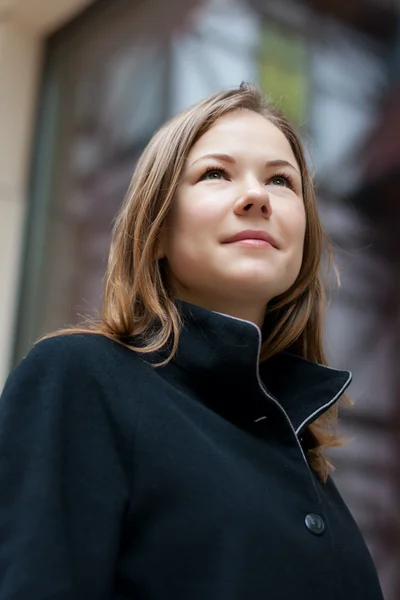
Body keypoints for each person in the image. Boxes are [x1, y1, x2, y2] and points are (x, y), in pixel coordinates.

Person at [0, 83, 383, 600]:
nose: (257, 196)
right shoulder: (80, 376)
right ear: (156, 230)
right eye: (216, 174)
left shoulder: (308, 463)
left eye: (281, 180)